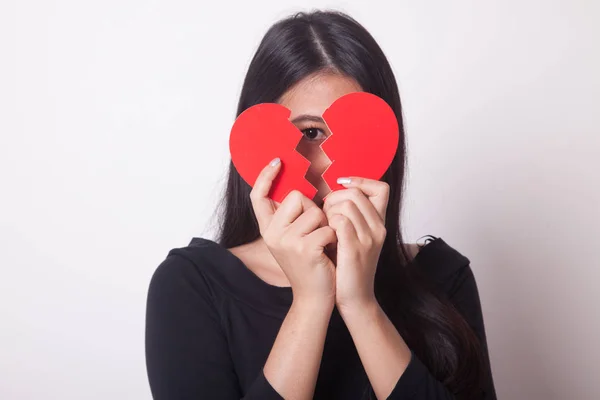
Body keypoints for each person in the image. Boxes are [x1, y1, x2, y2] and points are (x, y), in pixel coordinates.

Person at [145, 9, 497, 400]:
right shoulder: (191, 286)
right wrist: (311, 302)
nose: (329, 164)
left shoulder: (444, 276)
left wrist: (360, 304)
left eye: (356, 135)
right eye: (310, 132)